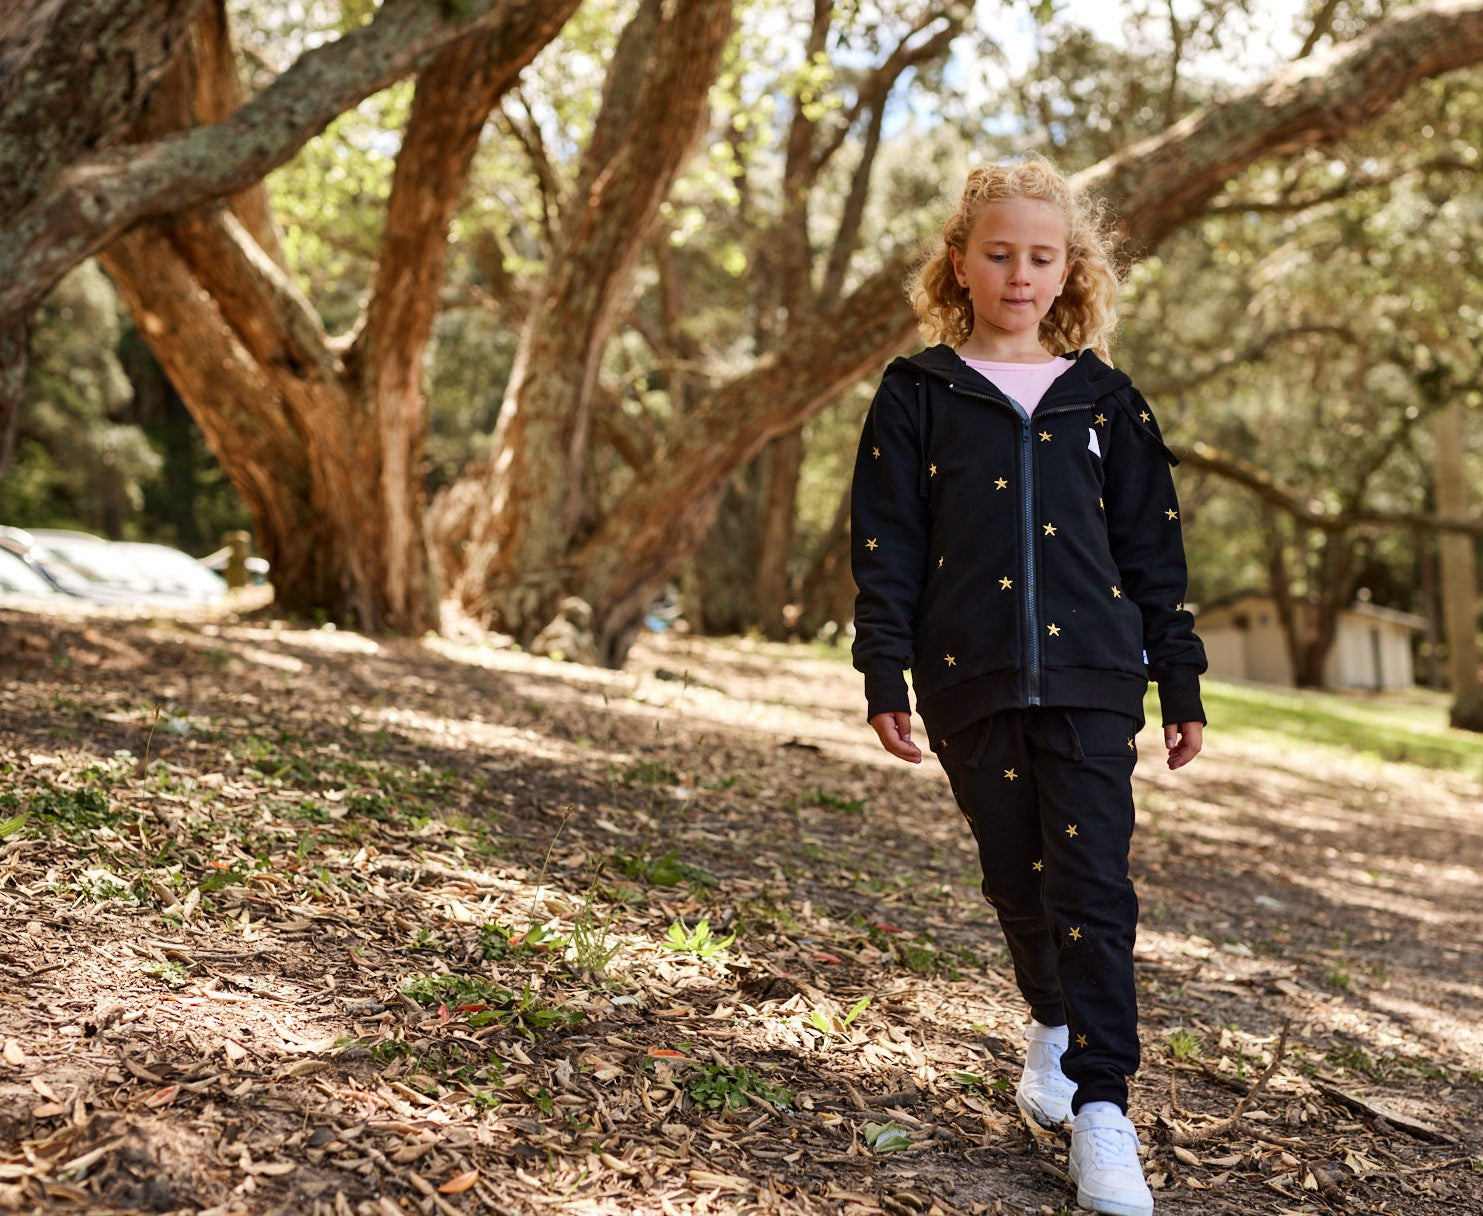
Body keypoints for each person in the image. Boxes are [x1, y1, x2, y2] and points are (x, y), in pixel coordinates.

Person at [850, 157, 1206, 1216]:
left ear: (1068, 270)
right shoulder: (917, 392)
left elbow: (1153, 552)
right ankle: (1050, 1022)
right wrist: (881, 666)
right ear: (959, 264)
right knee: (1015, 874)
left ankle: (1103, 1108)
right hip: (968, 675)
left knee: (1092, 885)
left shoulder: (1105, 399)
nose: (1019, 274)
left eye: (1040, 257)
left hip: (1096, 676)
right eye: (998, 254)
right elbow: (886, 544)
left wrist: (1178, 677)